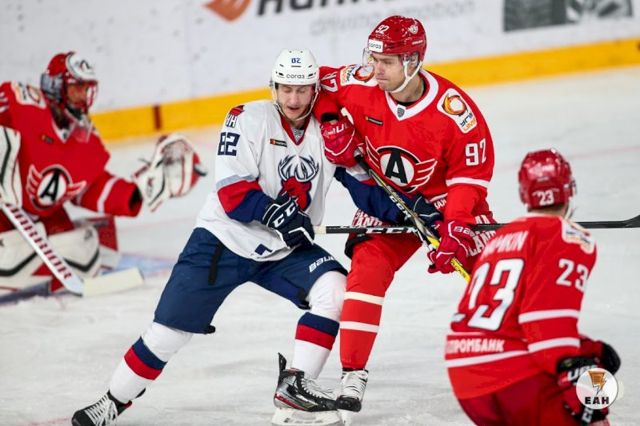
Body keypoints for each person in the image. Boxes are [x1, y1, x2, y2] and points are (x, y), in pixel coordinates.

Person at [71, 49, 413, 426]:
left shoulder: (328, 133)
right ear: (273, 88)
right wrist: (275, 213)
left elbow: (366, 191)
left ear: (315, 90)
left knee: (334, 290)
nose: (294, 99)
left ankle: (295, 388)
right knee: (168, 334)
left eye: (302, 90)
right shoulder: (246, 118)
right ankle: (112, 401)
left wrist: (412, 214)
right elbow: (233, 193)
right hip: (223, 241)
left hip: (283, 248)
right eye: (286, 89)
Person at [313, 15, 496, 411]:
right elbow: (317, 85)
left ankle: (532, 352)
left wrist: (456, 227)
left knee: (494, 274)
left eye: (387, 62)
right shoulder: (361, 82)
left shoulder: (454, 112)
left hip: (443, 203)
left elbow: (468, 178)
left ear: (412, 61)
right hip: (386, 198)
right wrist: (330, 121)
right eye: (374, 58)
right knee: (365, 273)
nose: (375, 68)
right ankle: (352, 375)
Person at [0, 51, 203, 293]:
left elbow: (90, 188)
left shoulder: (85, 139)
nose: (83, 97)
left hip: (42, 216)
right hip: (4, 208)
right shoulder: (20, 103)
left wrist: (137, 192)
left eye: (87, 89)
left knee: (82, 247)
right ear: (55, 86)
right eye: (77, 89)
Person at [445, 149, 621, 425]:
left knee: (589, 355)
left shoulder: (500, 238)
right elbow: (545, 326)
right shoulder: (571, 237)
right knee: (592, 385)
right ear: (569, 188)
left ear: (524, 194)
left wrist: (589, 346)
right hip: (513, 380)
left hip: (465, 378)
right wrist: (582, 383)